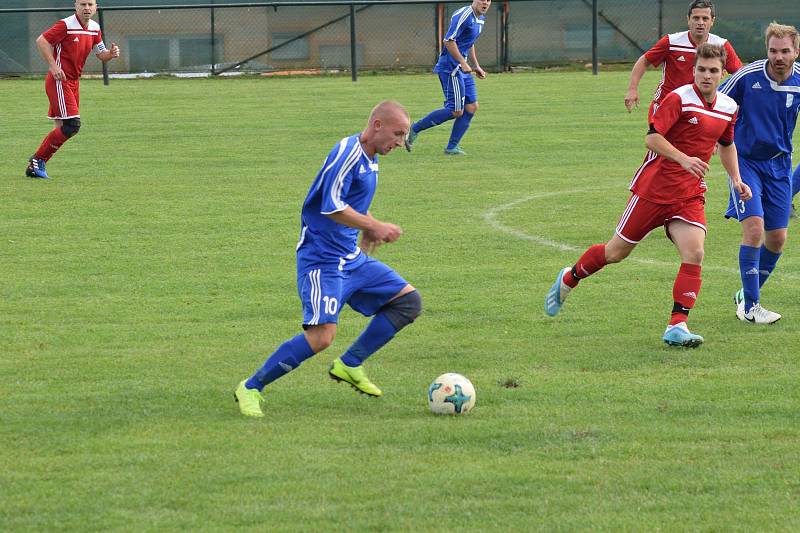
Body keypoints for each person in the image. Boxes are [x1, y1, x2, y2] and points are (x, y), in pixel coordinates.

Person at [545, 44, 751, 348]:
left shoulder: (728, 107)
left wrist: (736, 179)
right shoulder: (679, 98)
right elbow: (652, 137)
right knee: (615, 253)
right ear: (694, 70)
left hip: (689, 195)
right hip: (653, 190)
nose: (706, 76)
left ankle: (677, 325)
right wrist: (683, 159)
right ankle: (570, 277)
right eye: (701, 69)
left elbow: (727, 143)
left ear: (723, 73)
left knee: (694, 252)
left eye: (713, 71)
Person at [234, 101, 422, 418]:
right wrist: (374, 226)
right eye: (398, 134)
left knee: (408, 302)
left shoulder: (371, 157)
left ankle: (349, 365)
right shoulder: (348, 153)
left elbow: (351, 203)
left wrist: (366, 228)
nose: (400, 142)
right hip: (322, 261)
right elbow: (331, 206)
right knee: (321, 337)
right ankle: (251, 387)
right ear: (377, 125)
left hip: (351, 259)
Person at [719, 23, 800, 324]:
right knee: (754, 229)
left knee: (777, 238)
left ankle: (745, 296)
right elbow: (714, 104)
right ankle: (752, 308)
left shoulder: (799, 80)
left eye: (785, 51)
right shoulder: (747, 77)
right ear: (766, 50)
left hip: (779, 165)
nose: (778, 57)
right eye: (773, 51)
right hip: (745, 162)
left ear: (796, 52)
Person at [25, 0, 120, 179]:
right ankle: (37, 160)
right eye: (82, 4)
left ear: (95, 7)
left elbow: (101, 54)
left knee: (63, 127)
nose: (86, 8)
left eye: (90, 4)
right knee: (72, 125)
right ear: (75, 6)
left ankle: (35, 166)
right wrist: (54, 67)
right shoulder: (66, 25)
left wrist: (111, 54)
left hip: (73, 83)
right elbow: (42, 41)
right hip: (59, 81)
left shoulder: (94, 28)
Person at [624, 0, 741, 118]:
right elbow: (644, 61)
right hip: (665, 106)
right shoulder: (671, 41)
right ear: (688, 19)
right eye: (696, 18)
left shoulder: (721, 45)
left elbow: (740, 75)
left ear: (712, 21)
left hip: (698, 110)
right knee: (657, 137)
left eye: (705, 19)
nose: (700, 23)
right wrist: (632, 89)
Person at [404, 0, 491, 156]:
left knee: (471, 106)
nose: (485, 2)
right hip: (451, 67)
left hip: (462, 67)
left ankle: (451, 147)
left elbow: (469, 42)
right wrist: (463, 62)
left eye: (488, 0)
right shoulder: (464, 15)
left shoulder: (480, 18)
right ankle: (414, 129)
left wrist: (476, 65)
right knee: (456, 110)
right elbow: (449, 40)